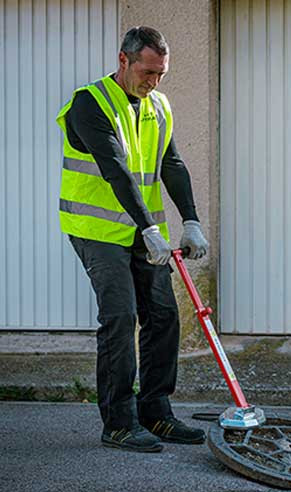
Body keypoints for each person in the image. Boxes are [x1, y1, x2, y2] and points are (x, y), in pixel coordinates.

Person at [56, 26, 208, 452]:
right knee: (121, 316)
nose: (154, 82)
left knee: (163, 314)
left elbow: (172, 164)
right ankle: (119, 422)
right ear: (123, 61)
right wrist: (150, 229)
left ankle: (155, 412)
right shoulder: (89, 104)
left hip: (144, 231)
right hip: (97, 230)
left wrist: (191, 220)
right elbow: (115, 169)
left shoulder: (157, 105)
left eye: (161, 73)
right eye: (147, 72)